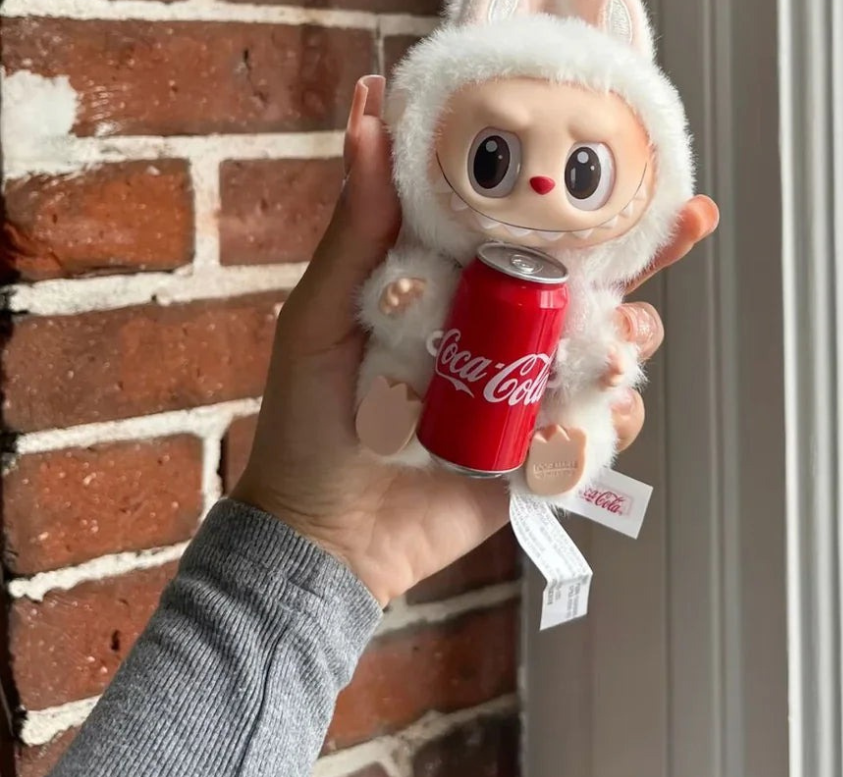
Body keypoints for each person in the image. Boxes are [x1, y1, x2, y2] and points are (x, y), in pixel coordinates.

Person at [49, 77, 718, 777]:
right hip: (383, 459)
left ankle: (557, 453)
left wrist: (604, 361)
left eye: (583, 172)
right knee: (406, 366)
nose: (546, 182)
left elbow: (587, 356)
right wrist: (399, 299)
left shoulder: (558, 292)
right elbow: (406, 309)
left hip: (383, 516)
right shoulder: (461, 270)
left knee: (583, 395)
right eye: (495, 156)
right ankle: (397, 415)